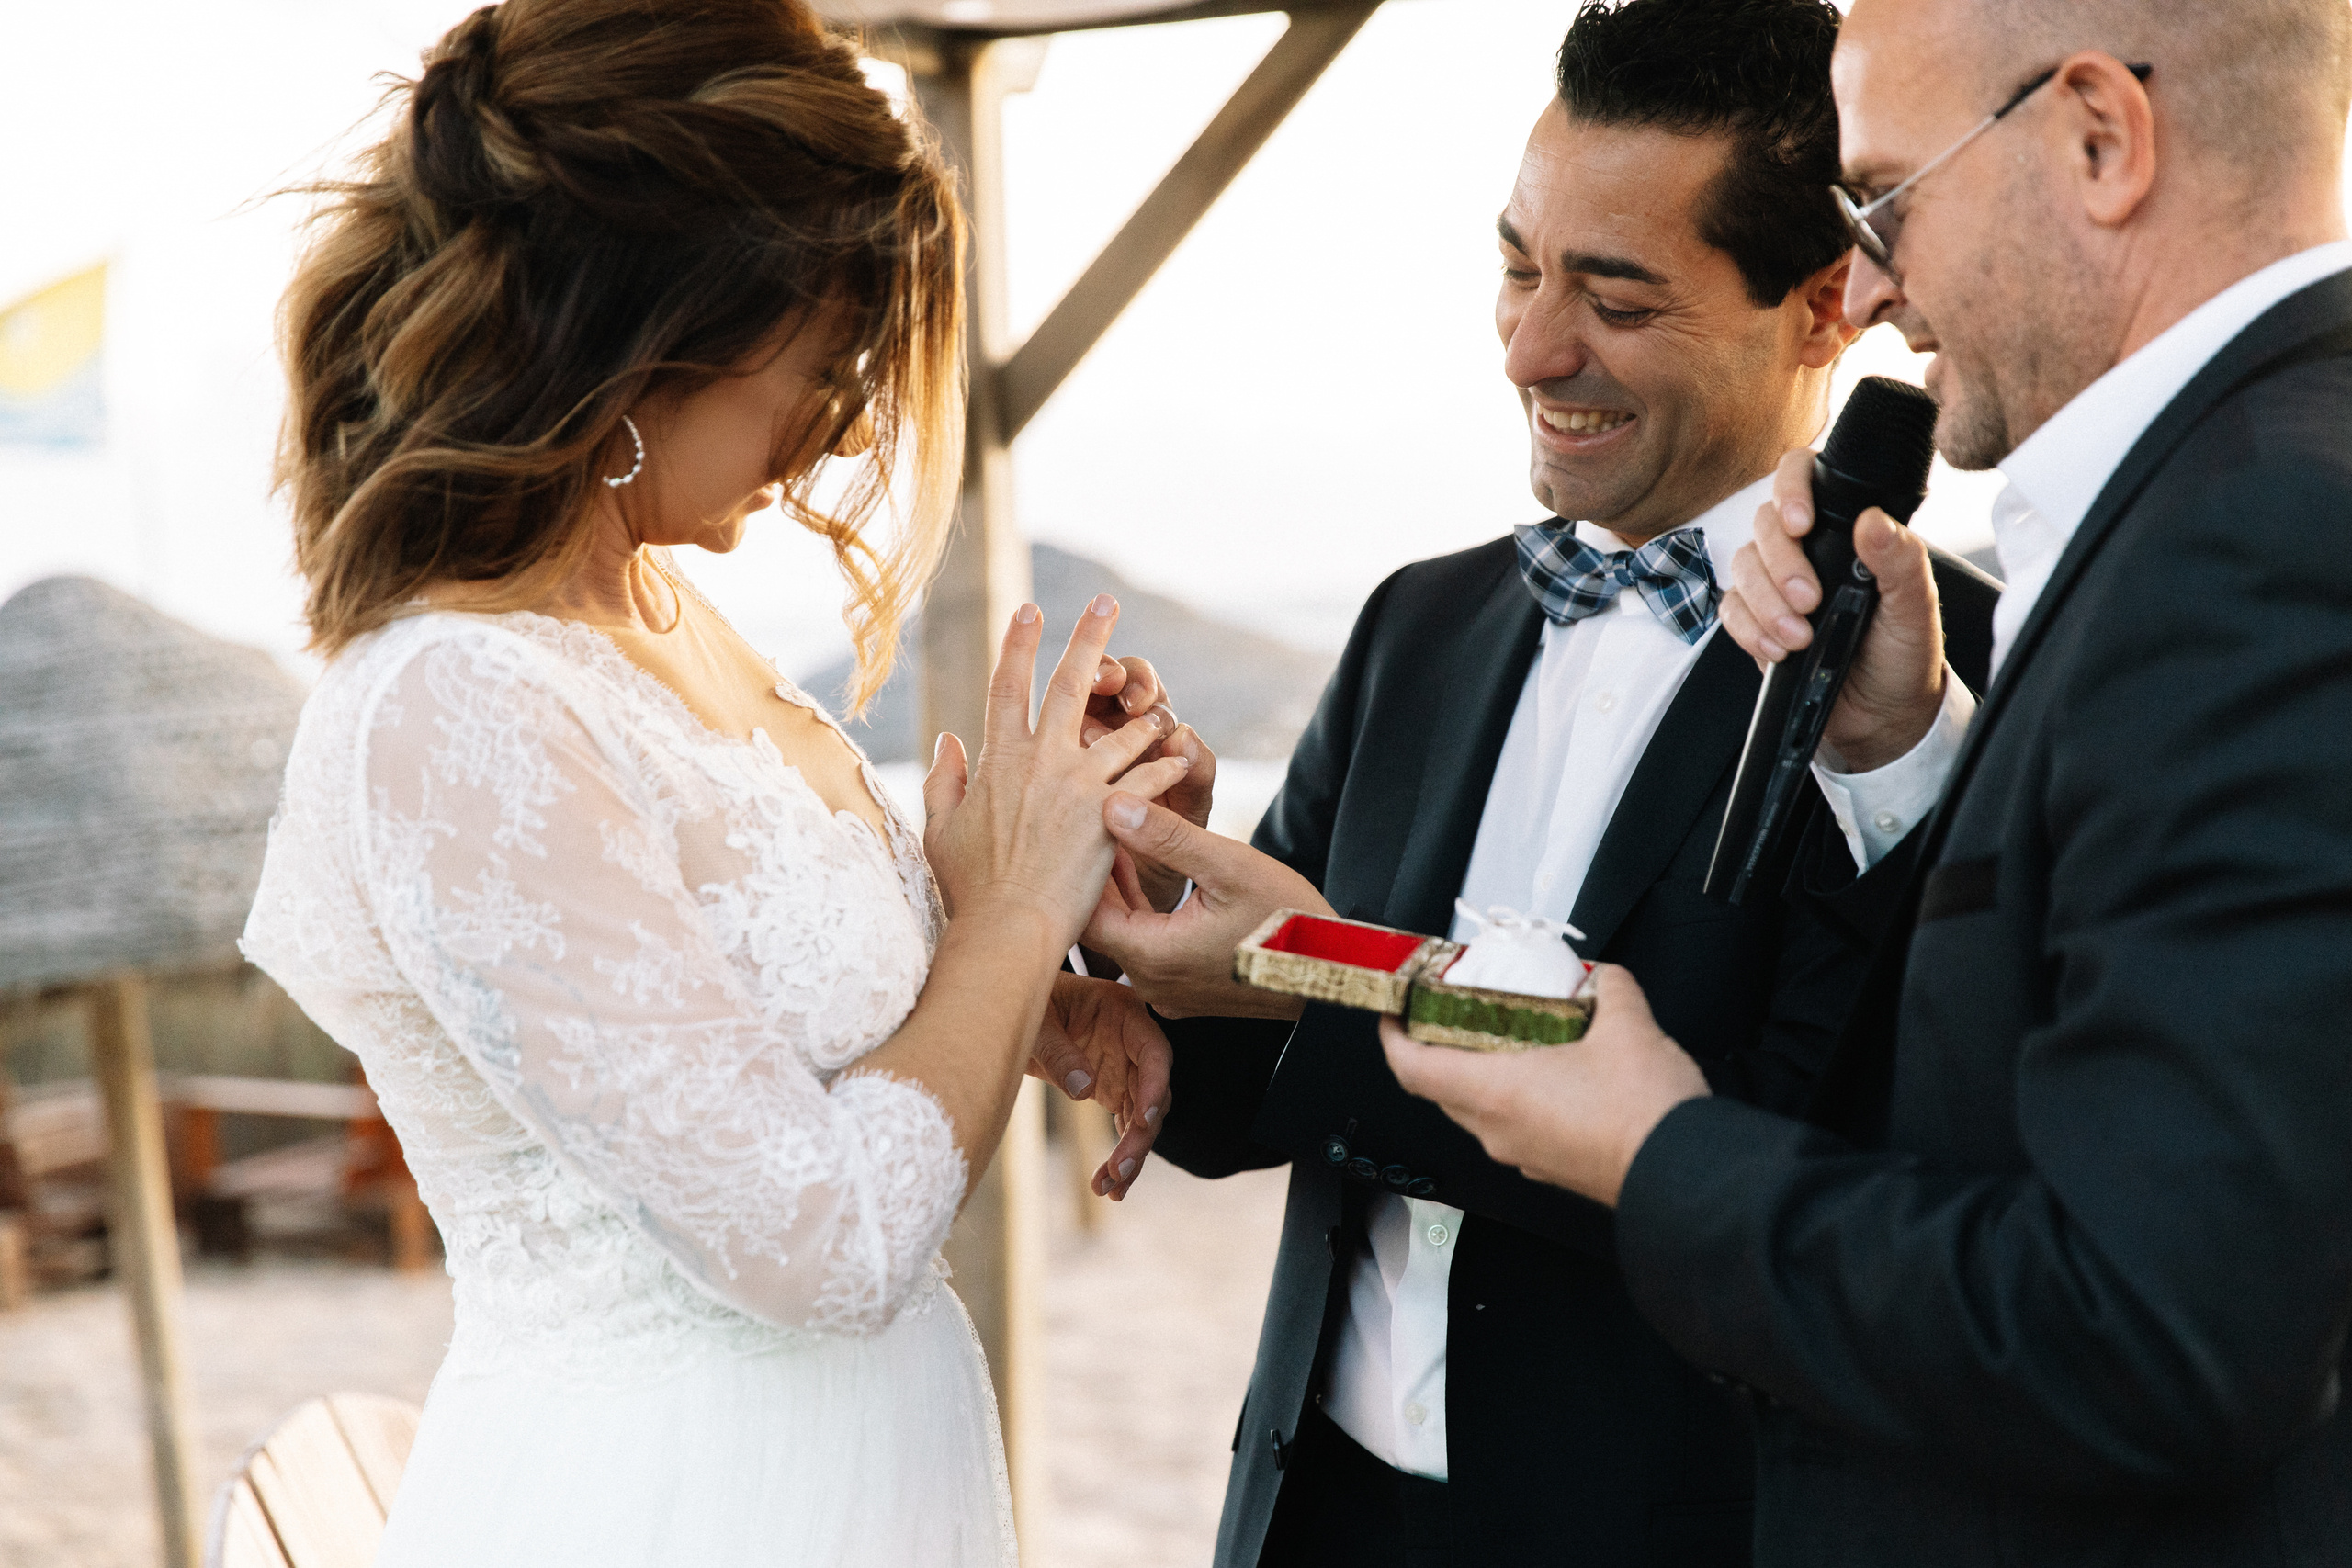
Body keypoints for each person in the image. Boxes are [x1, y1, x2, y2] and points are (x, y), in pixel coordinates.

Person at [1378, 2, 2352, 1564]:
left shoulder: (2262, 546)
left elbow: (2163, 1333)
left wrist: (1653, 1147)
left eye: (1889, 200)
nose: (1877, 288)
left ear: (2100, 138)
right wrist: (1904, 750)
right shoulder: (2237, 496)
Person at [239, 3, 1187, 1562]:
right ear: (645, 344)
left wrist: (1026, 989)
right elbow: (818, 1232)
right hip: (664, 1506)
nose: (847, 422)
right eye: (823, 361)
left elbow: (733, 1053)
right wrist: (1017, 917)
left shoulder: (662, 614)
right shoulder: (455, 705)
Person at [1077, 3, 1997, 1563]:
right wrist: (1150, 949)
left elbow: (1814, 1147)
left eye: (1615, 300)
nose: (1528, 350)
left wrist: (1315, 974)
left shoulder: (1950, 671)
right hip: (1316, 1515)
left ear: (1827, 304)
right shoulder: (1416, 624)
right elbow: (1261, 1088)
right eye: (1519, 267)